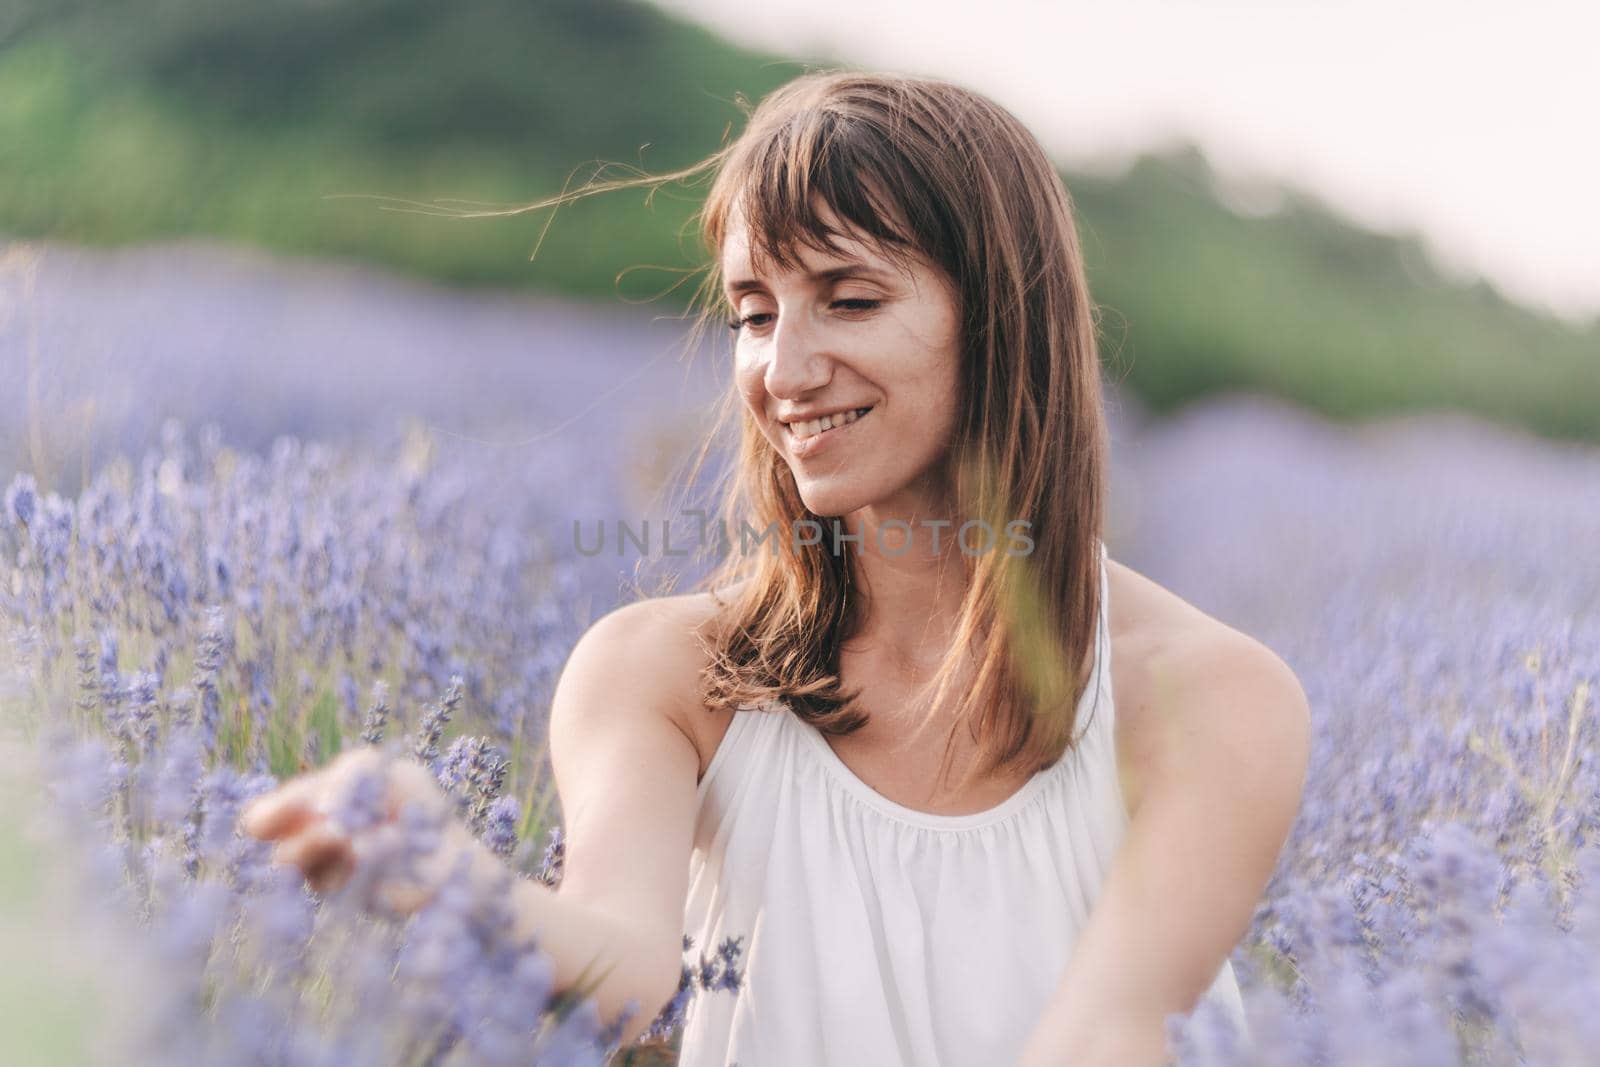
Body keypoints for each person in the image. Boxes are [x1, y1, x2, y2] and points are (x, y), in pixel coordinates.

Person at [241, 68, 1311, 1067]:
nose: (784, 369)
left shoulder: (1205, 697)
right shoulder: (661, 673)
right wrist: (458, 880)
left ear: (998, 321)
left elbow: (1104, 1035)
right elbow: (619, 964)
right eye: (755, 311)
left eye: (849, 299)